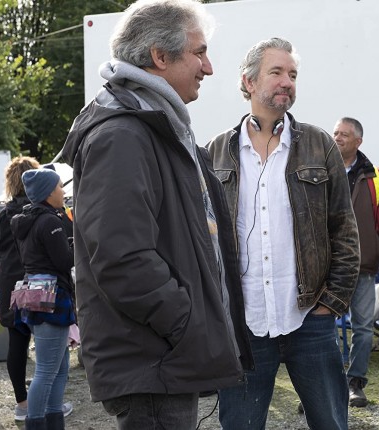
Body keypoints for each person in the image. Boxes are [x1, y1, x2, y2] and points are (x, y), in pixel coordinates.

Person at [60, 1, 253, 429]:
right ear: (159, 56)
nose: (209, 67)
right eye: (199, 53)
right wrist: (188, 323)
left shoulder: (155, 126)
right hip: (154, 361)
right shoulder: (123, 133)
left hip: (161, 358)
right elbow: (122, 259)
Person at [207, 37, 359, 430]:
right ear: (249, 81)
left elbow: (344, 229)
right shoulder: (217, 151)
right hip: (244, 324)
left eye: (292, 74)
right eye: (276, 72)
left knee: (331, 423)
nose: (287, 81)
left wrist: (331, 304)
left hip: (309, 318)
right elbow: (204, 240)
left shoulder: (319, 144)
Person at [0, 156, 73, 421]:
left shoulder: (16, 217)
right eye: (59, 186)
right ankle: (36, 419)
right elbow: (63, 260)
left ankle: (36, 411)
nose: (63, 191)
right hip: (50, 292)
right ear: (47, 191)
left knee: (51, 365)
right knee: (48, 369)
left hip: (25, 289)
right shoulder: (48, 220)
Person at [333, 117, 379, 406]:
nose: (337, 138)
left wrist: (378, 245)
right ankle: (329, 383)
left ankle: (355, 382)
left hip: (363, 265)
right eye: (335, 133)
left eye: (344, 134)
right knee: (325, 329)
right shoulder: (322, 170)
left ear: (358, 141)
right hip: (328, 266)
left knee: (362, 327)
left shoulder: (375, 176)